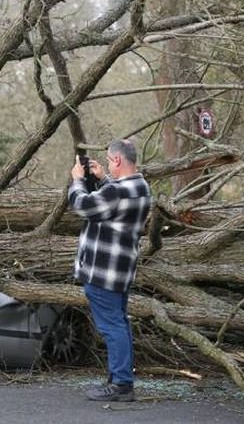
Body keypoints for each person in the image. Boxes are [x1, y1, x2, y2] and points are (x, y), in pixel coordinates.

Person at [69, 139, 151, 402]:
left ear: (117, 160)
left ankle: (121, 384)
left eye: (107, 160)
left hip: (102, 271)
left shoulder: (116, 192)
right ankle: (121, 378)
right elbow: (113, 204)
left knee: (111, 326)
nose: (106, 164)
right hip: (122, 270)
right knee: (120, 323)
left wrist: (78, 180)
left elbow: (83, 206)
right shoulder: (140, 186)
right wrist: (103, 179)